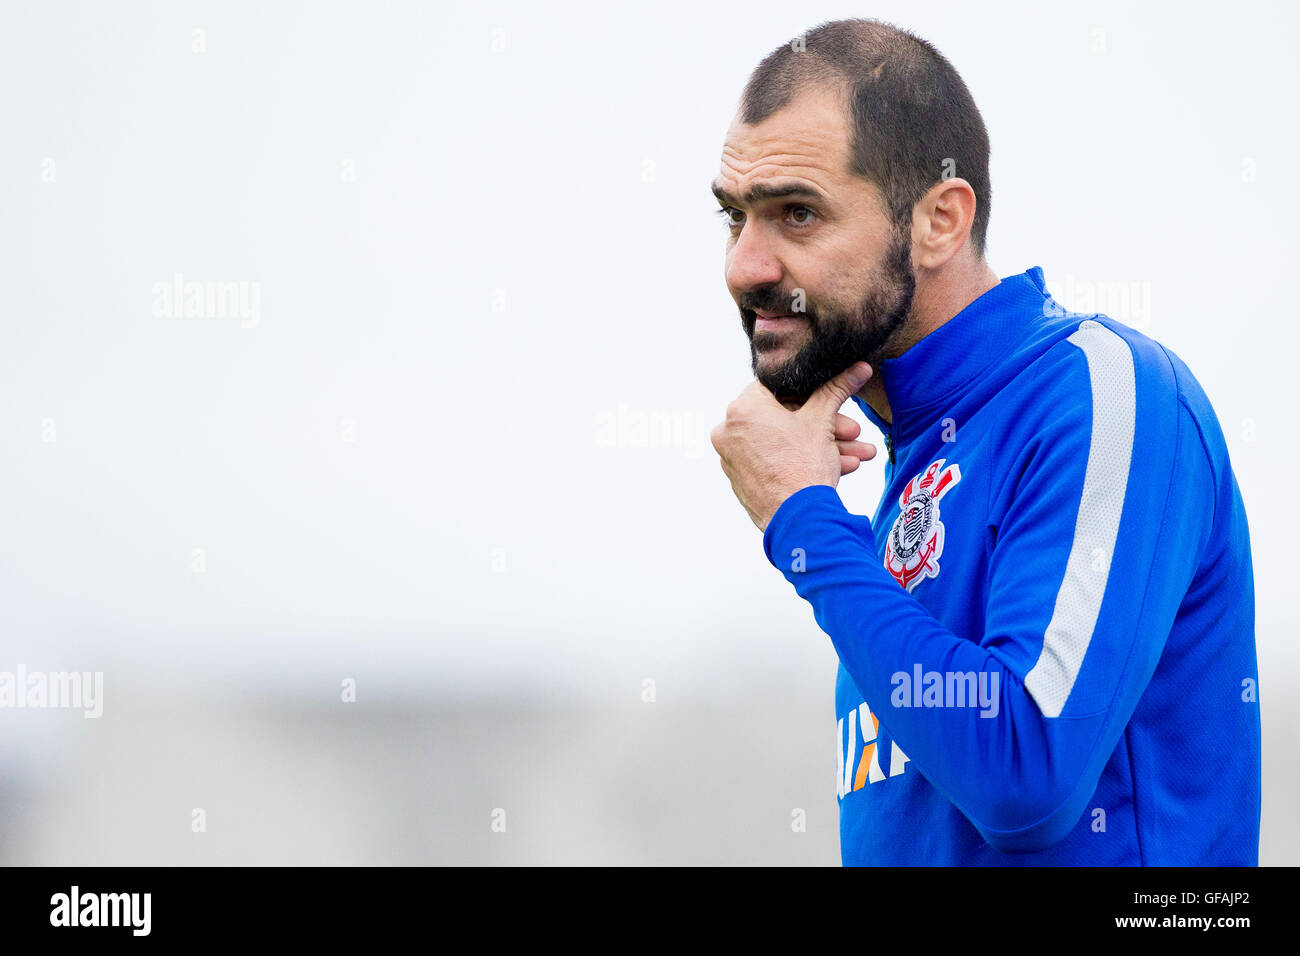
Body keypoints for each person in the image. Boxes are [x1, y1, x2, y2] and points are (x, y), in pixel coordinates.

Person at [709, 18, 1261, 865]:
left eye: (797, 213)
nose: (745, 265)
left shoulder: (1102, 394)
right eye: (734, 216)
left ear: (939, 219)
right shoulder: (911, 461)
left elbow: (1025, 771)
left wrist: (803, 523)